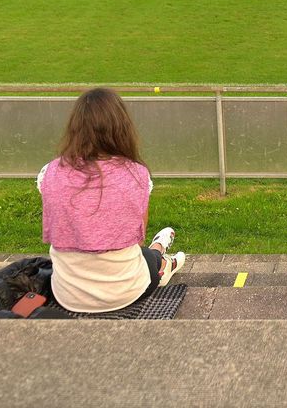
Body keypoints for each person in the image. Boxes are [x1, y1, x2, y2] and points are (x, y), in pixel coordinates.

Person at [37, 87, 186, 313]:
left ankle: (162, 253)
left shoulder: (50, 172)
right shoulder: (137, 175)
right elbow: (137, 237)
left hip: (67, 295)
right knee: (148, 256)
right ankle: (164, 259)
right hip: (126, 292)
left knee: (139, 256)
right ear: (121, 127)